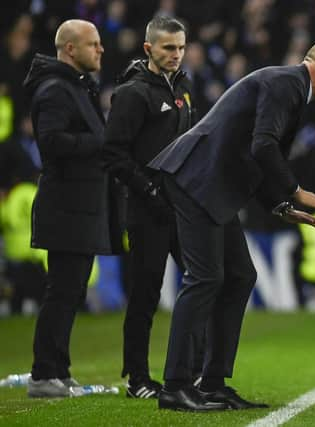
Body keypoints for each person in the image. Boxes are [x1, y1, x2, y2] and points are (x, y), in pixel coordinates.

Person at [147, 39, 315, 412]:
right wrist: (296, 190)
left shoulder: (290, 89)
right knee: (205, 278)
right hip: (196, 179)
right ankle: (175, 385)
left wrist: (279, 205)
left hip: (211, 185)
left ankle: (211, 383)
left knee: (240, 275)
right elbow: (262, 148)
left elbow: (254, 156)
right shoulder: (285, 85)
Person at [22, 19, 124, 398]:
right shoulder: (54, 90)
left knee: (70, 291)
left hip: (80, 207)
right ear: (69, 49)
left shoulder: (75, 88)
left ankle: (57, 373)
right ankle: (44, 374)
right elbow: (50, 143)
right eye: (92, 44)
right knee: (62, 291)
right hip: (66, 207)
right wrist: (100, 142)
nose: (100, 50)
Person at [103, 16, 198, 399]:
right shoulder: (133, 93)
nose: (176, 55)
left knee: (200, 283)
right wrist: (148, 190)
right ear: (149, 49)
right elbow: (113, 154)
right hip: (147, 208)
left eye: (180, 47)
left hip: (181, 205)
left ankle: (195, 373)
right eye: (168, 48)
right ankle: (137, 378)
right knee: (146, 294)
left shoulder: (183, 86)